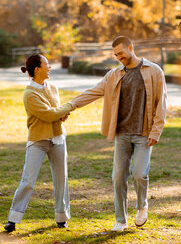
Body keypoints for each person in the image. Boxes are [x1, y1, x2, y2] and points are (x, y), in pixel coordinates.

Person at [70, 36, 167, 231]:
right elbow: (93, 91)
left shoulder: (153, 71)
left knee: (140, 174)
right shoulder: (113, 74)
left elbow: (161, 103)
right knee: (118, 177)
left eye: (121, 53)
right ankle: (120, 220)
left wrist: (156, 131)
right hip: (122, 134)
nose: (118, 57)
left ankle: (142, 206)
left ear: (131, 48)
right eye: (115, 55)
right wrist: (70, 106)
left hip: (143, 133)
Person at [4, 54, 75, 233]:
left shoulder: (52, 86)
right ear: (37, 69)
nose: (50, 67)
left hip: (58, 138)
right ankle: (13, 219)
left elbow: (57, 112)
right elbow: (50, 114)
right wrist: (70, 106)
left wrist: (62, 113)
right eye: (47, 64)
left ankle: (61, 218)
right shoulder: (29, 94)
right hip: (38, 140)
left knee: (61, 180)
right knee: (28, 181)